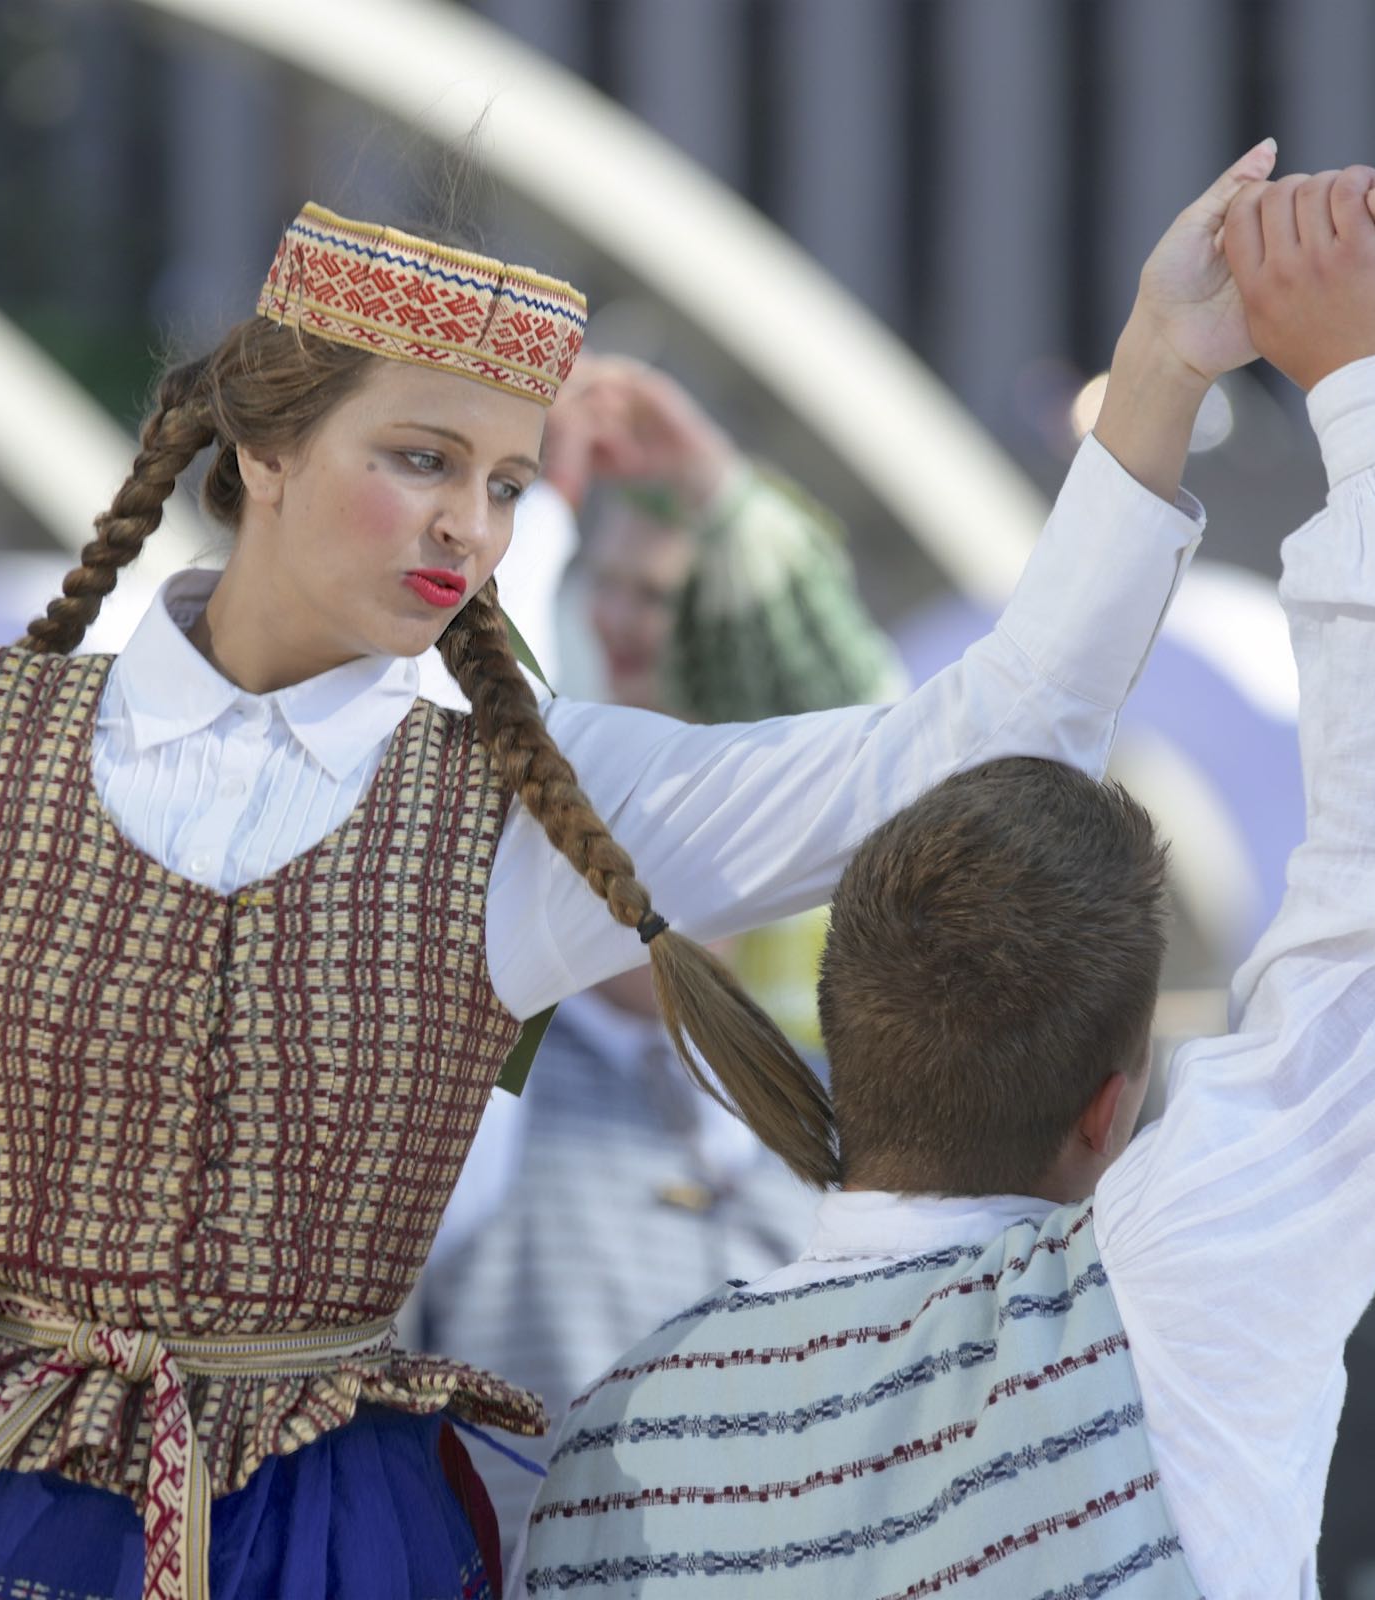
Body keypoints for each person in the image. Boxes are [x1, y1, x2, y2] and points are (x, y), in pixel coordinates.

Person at [0, 142, 1375, 1600]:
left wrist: (1162, 369)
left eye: (507, 482)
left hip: (314, 1539)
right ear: (262, 453)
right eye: (421, 460)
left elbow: (983, 740)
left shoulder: (522, 806)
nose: (473, 527)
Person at [520, 164, 1375, 1599]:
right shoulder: (1160, 1312)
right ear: (1109, 1109)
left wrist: (1231, 369)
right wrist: (1367, 386)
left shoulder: (623, 1439)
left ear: (846, 1036)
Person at [415, 358, 905, 1574]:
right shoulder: (479, 1080)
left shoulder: (839, 1111)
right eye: (615, 588)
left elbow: (884, 741)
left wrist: (719, 492)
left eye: (668, 598)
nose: (633, 624)